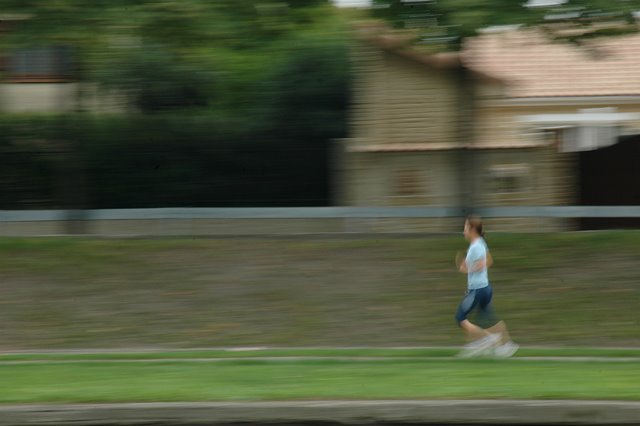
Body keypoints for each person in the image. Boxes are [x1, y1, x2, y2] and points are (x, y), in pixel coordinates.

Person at [454, 216, 518, 358]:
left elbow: (476, 266)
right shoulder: (481, 243)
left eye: (465, 228)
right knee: (489, 318)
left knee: (460, 318)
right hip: (485, 288)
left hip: (477, 289)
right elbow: (489, 260)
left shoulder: (474, 247)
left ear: (472, 229)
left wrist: (463, 267)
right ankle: (506, 345)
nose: (463, 231)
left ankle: (486, 339)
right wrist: (473, 265)